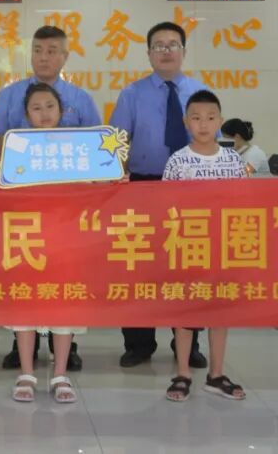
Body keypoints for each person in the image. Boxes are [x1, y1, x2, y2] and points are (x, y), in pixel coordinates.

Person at [0, 25, 98, 371]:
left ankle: (66, 344)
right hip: (22, 204)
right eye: (38, 50)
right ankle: (21, 345)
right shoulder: (10, 95)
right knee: (23, 268)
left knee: (64, 273)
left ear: (65, 56)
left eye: (52, 51)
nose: (44, 57)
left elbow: (96, 147)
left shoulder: (81, 98)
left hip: (66, 209)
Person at [110, 21, 209, 369]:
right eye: (159, 46)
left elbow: (209, 140)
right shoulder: (132, 94)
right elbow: (116, 143)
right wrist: (116, 181)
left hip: (190, 187)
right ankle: (138, 344)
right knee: (138, 265)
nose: (166, 51)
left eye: (173, 45)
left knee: (188, 265)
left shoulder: (199, 91)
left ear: (184, 51)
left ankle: (189, 343)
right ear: (149, 53)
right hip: (143, 186)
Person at [163, 90, 247, 402]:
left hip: (223, 247)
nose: (203, 124)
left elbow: (244, 204)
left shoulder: (232, 160)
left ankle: (217, 374)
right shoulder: (178, 160)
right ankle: (183, 373)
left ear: (220, 121)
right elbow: (164, 206)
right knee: (186, 312)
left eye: (210, 118)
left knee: (219, 312)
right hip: (188, 246)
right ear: (186, 122)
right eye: (196, 118)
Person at [3, 83, 84, 405]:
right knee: (25, 306)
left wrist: (110, 181)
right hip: (27, 237)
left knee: (64, 307)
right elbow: (6, 189)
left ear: (61, 111)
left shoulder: (76, 146)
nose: (44, 113)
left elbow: (89, 188)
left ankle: (60, 374)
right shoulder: (17, 145)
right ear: (27, 114)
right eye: (36, 108)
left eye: (50, 106)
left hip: (65, 238)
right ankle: (27, 373)